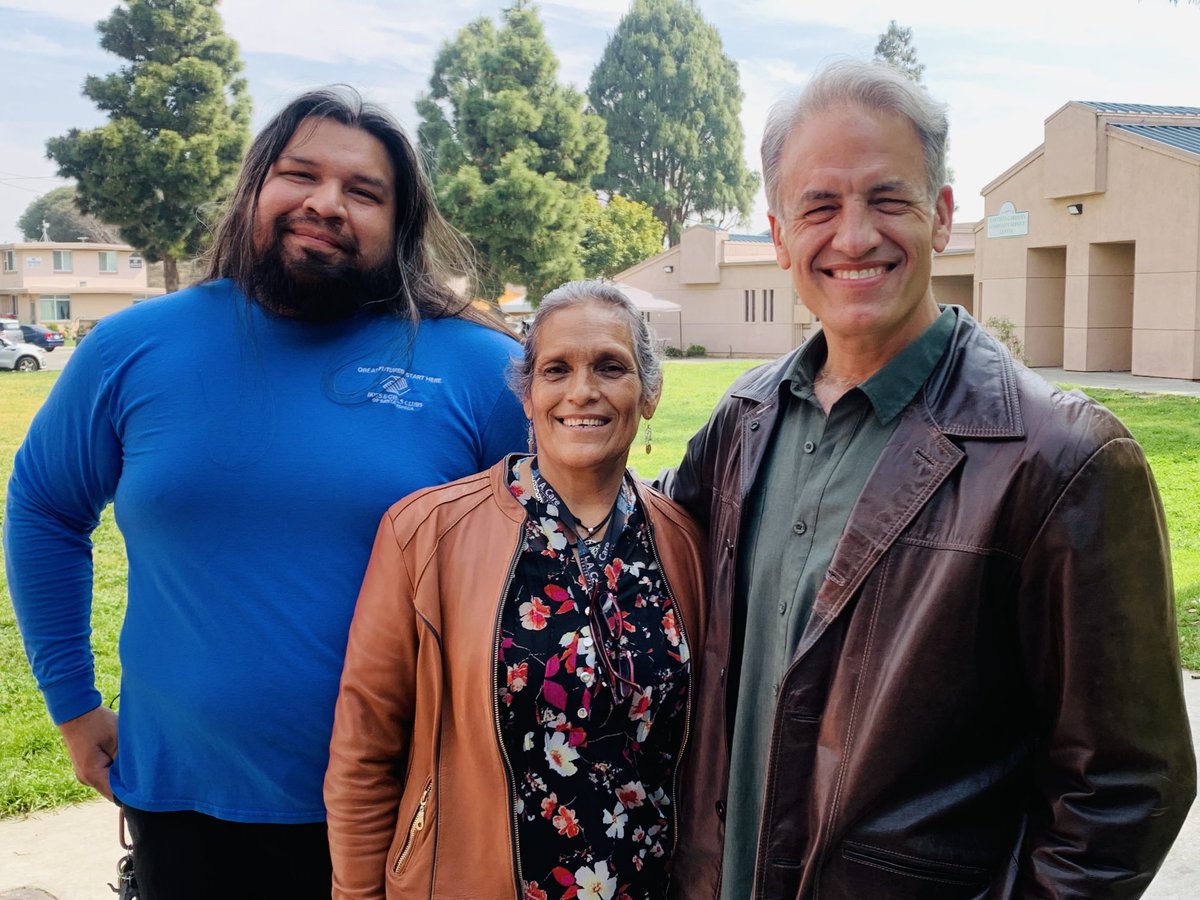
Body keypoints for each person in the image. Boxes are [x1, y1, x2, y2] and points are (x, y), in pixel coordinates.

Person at [664, 60, 1196, 900]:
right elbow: (631, 539)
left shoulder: (1062, 459)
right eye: (819, 207)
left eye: (887, 199)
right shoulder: (745, 419)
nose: (854, 237)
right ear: (778, 235)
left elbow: (1123, 791)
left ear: (942, 216)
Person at [4, 87, 526, 897]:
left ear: (400, 226)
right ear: (254, 186)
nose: (327, 202)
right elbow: (44, 508)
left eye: (364, 191)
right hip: (183, 803)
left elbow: (561, 558)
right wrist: (73, 703)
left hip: (411, 806)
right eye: (300, 174)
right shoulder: (132, 347)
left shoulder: (482, 371)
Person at [325, 281, 707, 899]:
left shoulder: (684, 544)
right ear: (527, 395)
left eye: (610, 367)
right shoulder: (425, 532)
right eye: (557, 370)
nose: (582, 391)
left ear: (650, 393)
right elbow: (364, 752)